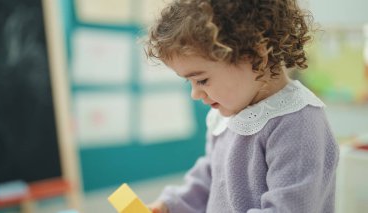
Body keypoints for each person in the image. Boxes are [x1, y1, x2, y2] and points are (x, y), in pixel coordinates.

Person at [145, 0, 339, 212]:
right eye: (188, 81)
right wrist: (169, 206)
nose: (195, 94)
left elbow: (289, 207)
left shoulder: (298, 122)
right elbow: (208, 180)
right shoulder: (228, 113)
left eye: (201, 80)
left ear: (256, 56)